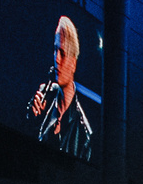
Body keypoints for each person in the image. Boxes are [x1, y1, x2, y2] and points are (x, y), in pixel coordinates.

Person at [30, 16, 96, 162]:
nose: (56, 59)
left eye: (63, 53)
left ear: (73, 63)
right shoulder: (44, 94)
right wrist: (32, 121)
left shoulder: (83, 134)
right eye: (55, 50)